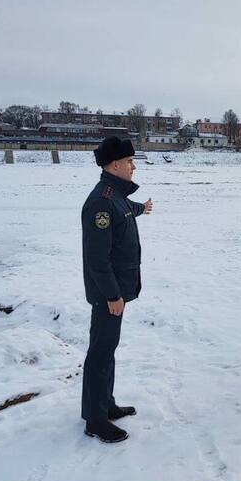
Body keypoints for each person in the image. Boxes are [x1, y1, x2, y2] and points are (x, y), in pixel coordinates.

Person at [81, 136, 153, 444]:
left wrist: (142, 208)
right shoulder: (103, 201)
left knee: (107, 350)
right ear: (114, 165)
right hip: (108, 295)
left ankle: (104, 404)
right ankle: (95, 419)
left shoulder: (117, 198)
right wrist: (112, 295)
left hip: (116, 293)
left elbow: (126, 212)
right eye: (129, 162)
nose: (134, 166)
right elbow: (98, 258)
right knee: (100, 353)